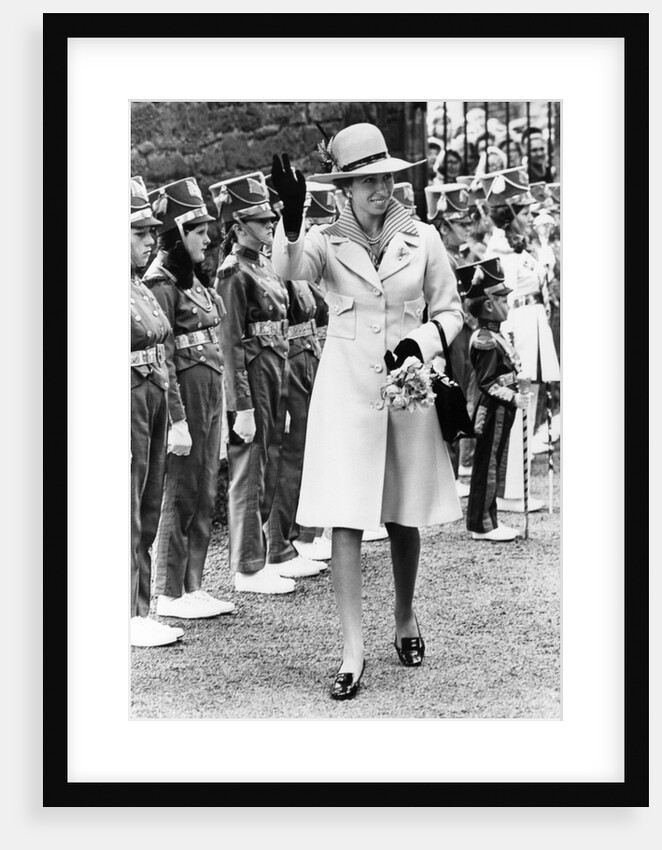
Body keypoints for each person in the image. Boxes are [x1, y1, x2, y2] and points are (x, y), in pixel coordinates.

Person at [270, 122, 464, 700]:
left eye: (385, 178)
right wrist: (290, 219)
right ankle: (352, 650)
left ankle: (404, 617)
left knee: (404, 513)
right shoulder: (325, 240)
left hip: (407, 387)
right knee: (346, 518)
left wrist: (423, 341)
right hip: (347, 388)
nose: (381, 189)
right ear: (345, 191)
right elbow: (288, 267)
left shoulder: (423, 238)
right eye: (367, 182)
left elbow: (451, 312)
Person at [143, 177, 235, 620]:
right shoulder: (160, 282)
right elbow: (162, 354)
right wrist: (176, 417)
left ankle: (192, 584)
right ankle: (168, 590)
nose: (208, 237)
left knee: (202, 486)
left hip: (209, 390)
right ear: (177, 233)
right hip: (185, 396)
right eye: (198, 230)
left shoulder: (193, 280)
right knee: (179, 489)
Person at [211, 172, 295, 594]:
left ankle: (260, 555)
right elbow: (228, 344)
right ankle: (246, 565)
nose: (270, 225)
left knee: (272, 461)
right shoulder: (232, 272)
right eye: (260, 221)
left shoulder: (261, 262)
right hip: (254, 373)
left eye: (270, 219)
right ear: (238, 225)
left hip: (276, 366)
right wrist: (239, 404)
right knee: (250, 466)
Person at [479, 166, 560, 512]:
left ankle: (520, 486)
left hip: (535, 324)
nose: (531, 217)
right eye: (525, 212)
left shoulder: (524, 247)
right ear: (510, 216)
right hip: (520, 326)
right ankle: (511, 490)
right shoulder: (500, 249)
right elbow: (500, 298)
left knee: (531, 399)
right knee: (517, 404)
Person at [265, 181, 332, 578]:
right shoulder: (277, 264)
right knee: (288, 458)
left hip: (309, 358)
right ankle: (281, 542)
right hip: (289, 364)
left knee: (305, 455)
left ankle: (298, 536)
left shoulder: (304, 263)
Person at [130, 177, 184, 647]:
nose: (151, 241)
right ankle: (128, 610)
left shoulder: (137, 287)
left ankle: (140, 608)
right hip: (125, 399)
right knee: (125, 504)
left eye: (151, 232)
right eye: (140, 234)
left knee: (148, 502)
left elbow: (161, 347)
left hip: (150, 395)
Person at [460, 258, 530, 541]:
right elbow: (487, 383)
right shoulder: (485, 338)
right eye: (502, 299)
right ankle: (482, 524)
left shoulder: (496, 334)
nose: (508, 304)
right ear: (488, 304)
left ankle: (487, 519)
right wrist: (513, 397)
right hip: (493, 410)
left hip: (502, 409)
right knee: (487, 465)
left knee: (494, 462)